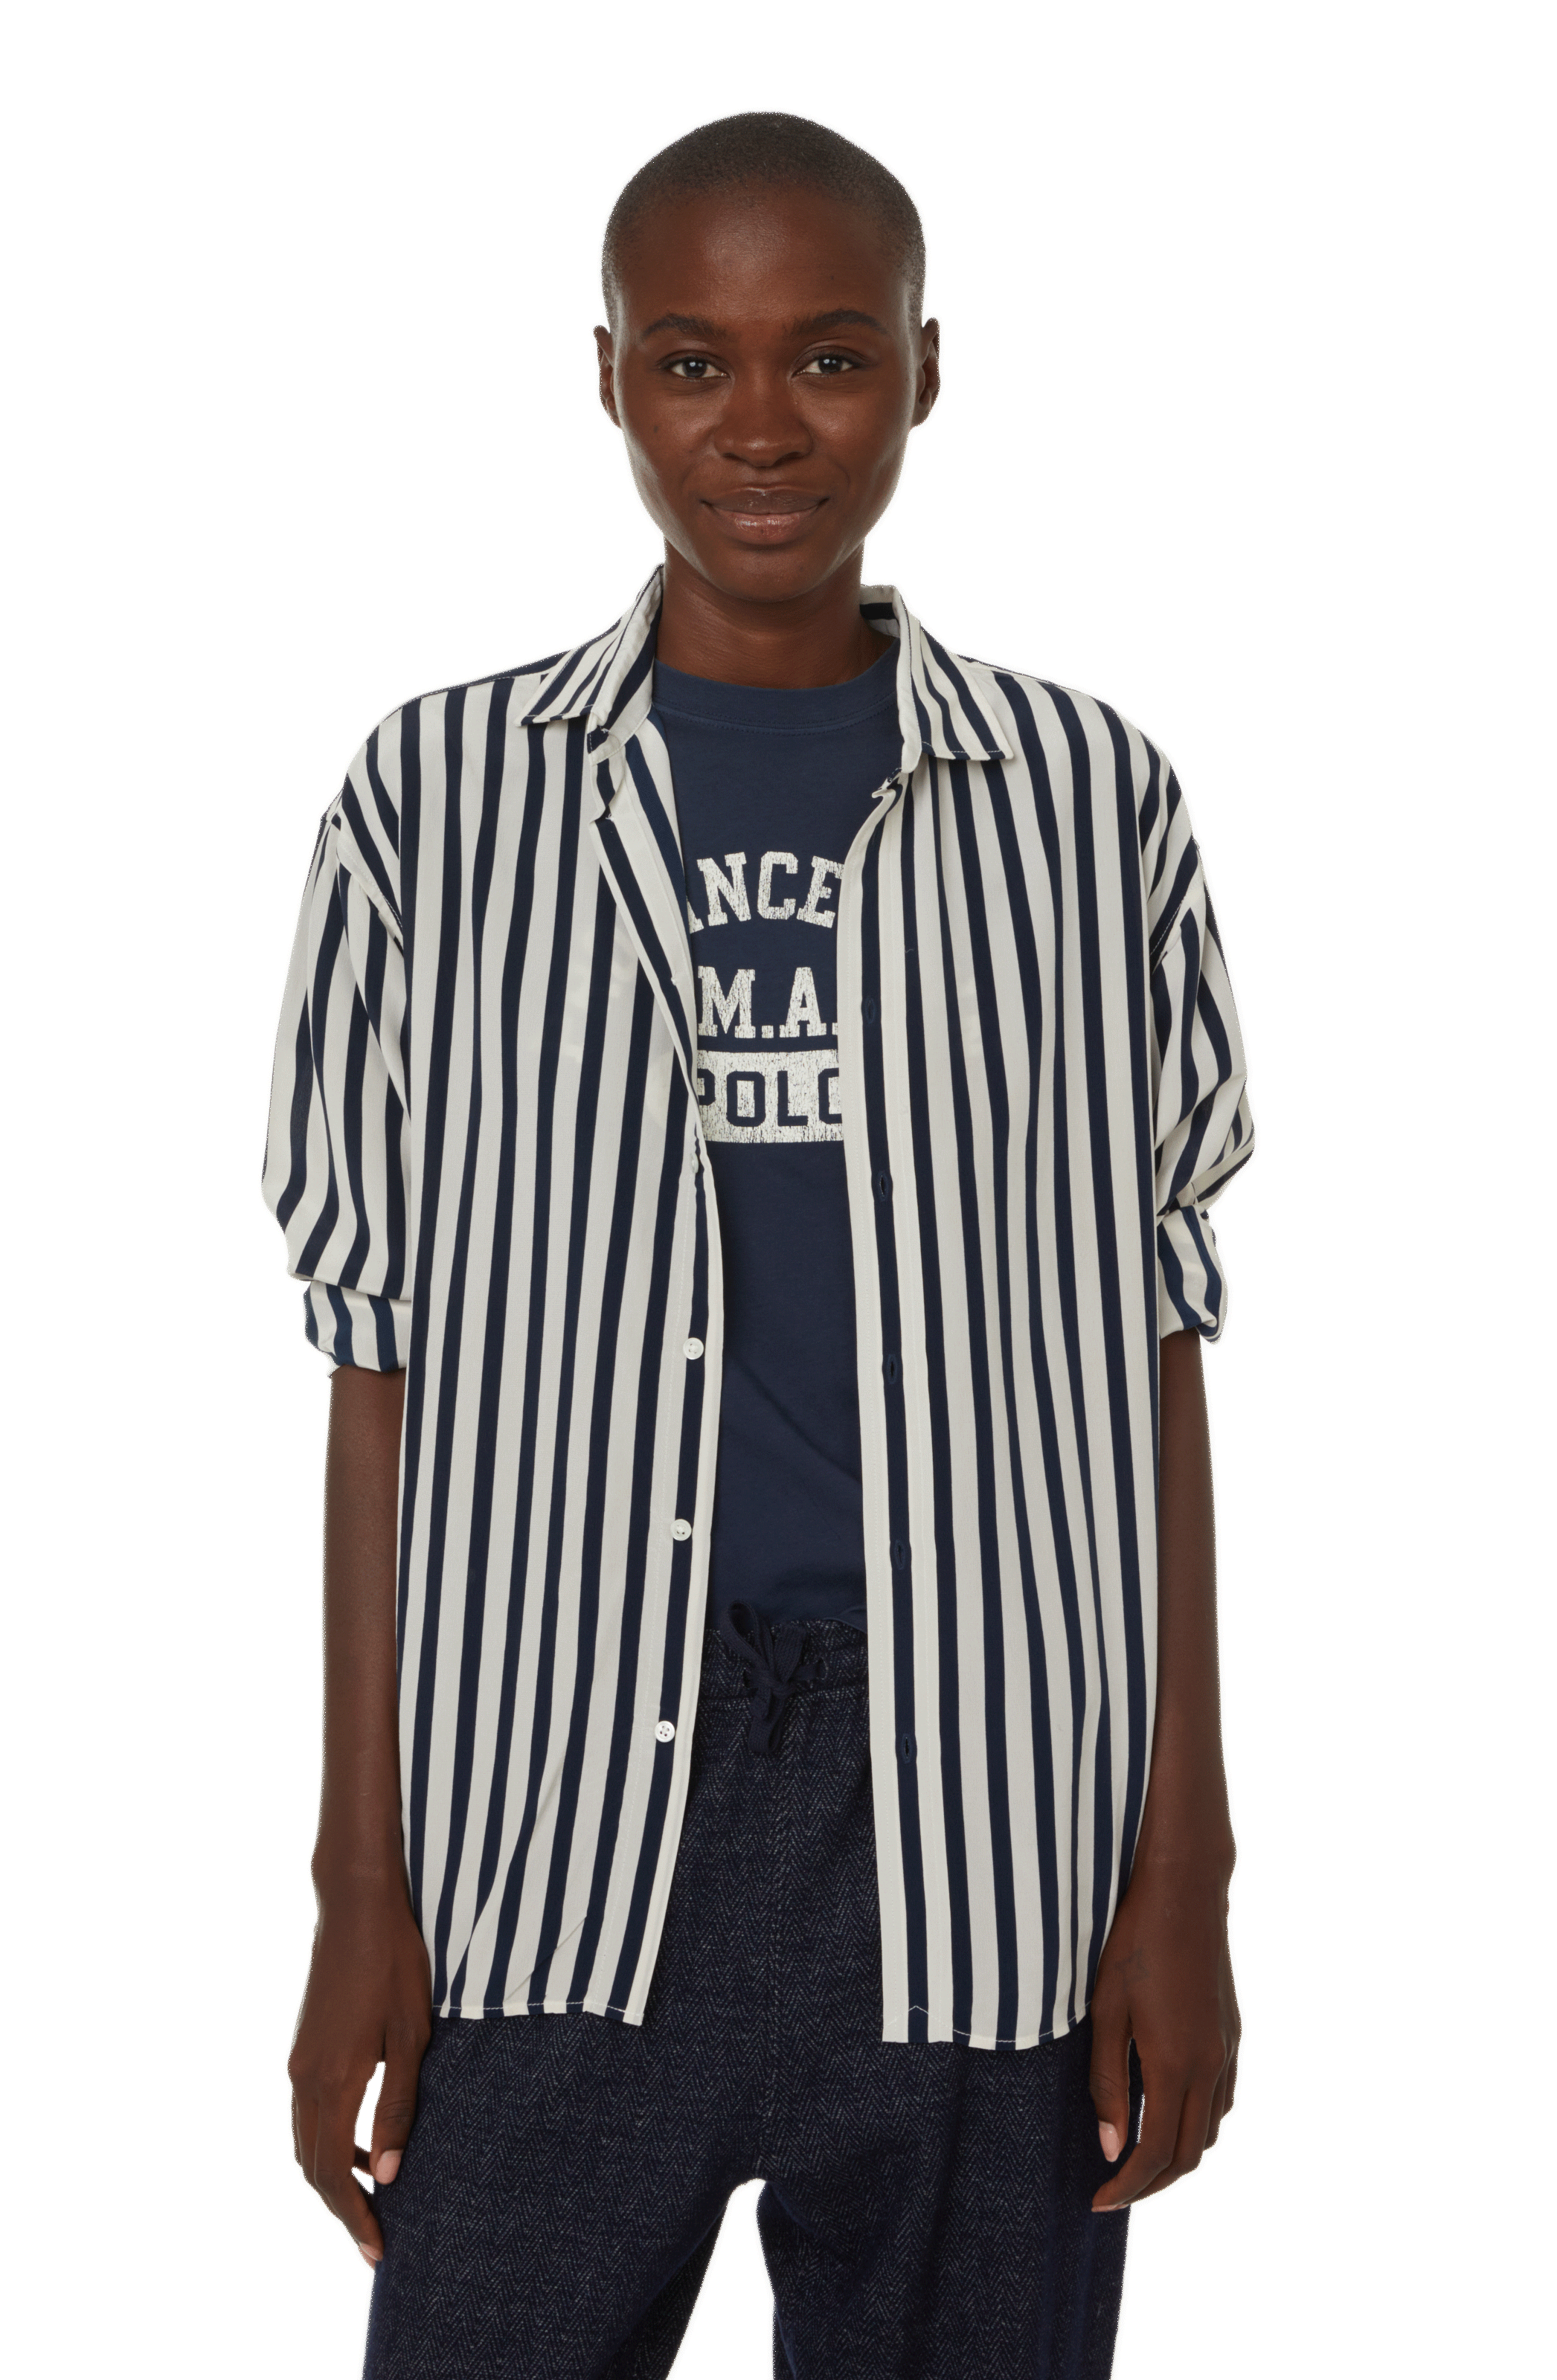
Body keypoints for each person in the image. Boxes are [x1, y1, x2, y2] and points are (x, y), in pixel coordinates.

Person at [263, 110, 1253, 2380]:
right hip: (559, 1814)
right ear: (609, 376)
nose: (764, 428)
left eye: (829, 353)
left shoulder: (1089, 806)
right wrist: (360, 1886)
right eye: (694, 363)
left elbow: (1158, 1349)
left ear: (926, 368)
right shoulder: (441, 802)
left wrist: (1182, 1874)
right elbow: (374, 1355)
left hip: (988, 1810)